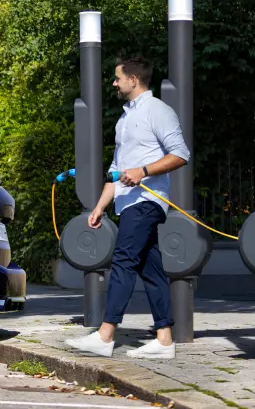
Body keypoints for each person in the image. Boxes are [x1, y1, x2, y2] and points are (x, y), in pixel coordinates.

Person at [65, 56, 190, 359]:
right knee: (152, 271)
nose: (114, 83)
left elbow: (181, 154)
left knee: (122, 262)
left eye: (118, 77)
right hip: (128, 203)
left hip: (147, 202)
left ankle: (106, 335)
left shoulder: (158, 111)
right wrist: (99, 207)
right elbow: (117, 170)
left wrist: (144, 171)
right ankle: (163, 340)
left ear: (133, 80)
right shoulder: (125, 119)